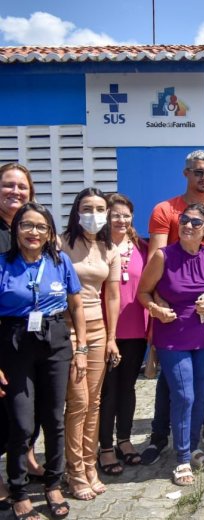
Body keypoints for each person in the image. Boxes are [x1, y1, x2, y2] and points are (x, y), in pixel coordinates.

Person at [142, 150, 204, 465]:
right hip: (173, 320)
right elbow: (153, 274)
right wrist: (158, 306)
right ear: (186, 173)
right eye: (198, 171)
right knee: (172, 387)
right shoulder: (165, 210)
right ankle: (160, 437)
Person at [0, 202, 86, 519]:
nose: (33, 232)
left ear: (49, 232)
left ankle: (52, 484)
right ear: (16, 229)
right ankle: (19, 491)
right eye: (27, 225)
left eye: (40, 226)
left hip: (56, 340)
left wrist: (81, 349)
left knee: (55, 419)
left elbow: (76, 307)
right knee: (21, 424)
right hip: (14, 343)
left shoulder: (60, 261)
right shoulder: (2, 264)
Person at [138, 204, 204, 486]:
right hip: (172, 338)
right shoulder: (164, 256)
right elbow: (143, 292)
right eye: (184, 220)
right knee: (184, 395)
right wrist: (155, 308)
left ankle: (193, 445)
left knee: (201, 395)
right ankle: (182, 459)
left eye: (195, 222)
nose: (188, 225)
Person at [60, 188, 121, 500]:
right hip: (67, 331)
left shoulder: (108, 247)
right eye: (88, 207)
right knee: (79, 403)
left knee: (94, 403)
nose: (94, 214)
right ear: (76, 210)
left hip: (98, 331)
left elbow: (112, 294)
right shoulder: (59, 244)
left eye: (100, 208)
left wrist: (112, 337)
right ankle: (74, 471)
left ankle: (89, 465)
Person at [0, 162, 45, 506]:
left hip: (31, 339)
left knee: (28, 409)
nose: (16, 191)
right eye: (8, 185)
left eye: (22, 187)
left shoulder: (30, 230)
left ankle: (27, 459)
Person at [97, 194, 149, 476]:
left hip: (136, 330)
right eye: (115, 214)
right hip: (105, 330)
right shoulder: (96, 248)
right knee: (107, 391)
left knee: (128, 387)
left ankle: (124, 440)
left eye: (126, 215)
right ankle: (105, 447)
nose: (121, 220)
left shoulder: (143, 246)